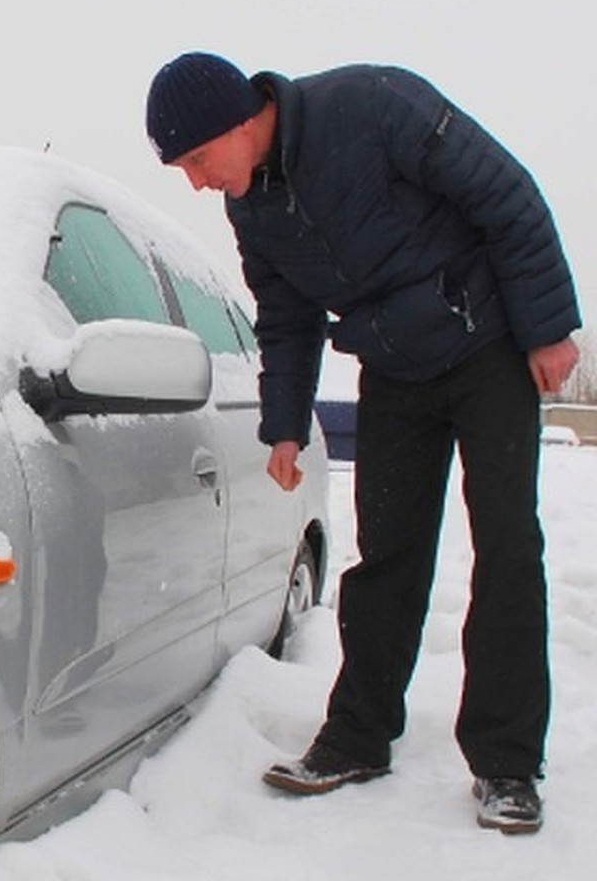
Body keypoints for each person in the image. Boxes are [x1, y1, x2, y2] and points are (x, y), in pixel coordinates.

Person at [146, 52, 581, 835]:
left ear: (240, 120)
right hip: (394, 368)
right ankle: (358, 735)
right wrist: (282, 424)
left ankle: (507, 762)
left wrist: (548, 328)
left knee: (507, 547)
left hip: (489, 346)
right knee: (385, 555)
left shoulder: (374, 105)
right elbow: (285, 315)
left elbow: (505, 195)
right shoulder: (254, 207)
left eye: (199, 160)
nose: (198, 183)